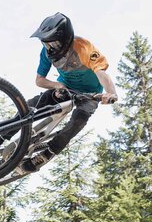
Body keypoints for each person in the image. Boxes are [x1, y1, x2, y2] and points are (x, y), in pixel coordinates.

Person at [20, 12, 117, 173]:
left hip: (90, 94)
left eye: (53, 44)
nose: (50, 48)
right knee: (33, 104)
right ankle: (1, 135)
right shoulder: (46, 53)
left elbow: (102, 74)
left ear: (65, 39)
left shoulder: (83, 47)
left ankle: (47, 153)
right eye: (46, 44)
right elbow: (40, 80)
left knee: (78, 121)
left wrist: (111, 92)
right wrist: (57, 85)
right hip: (65, 87)